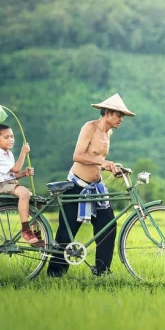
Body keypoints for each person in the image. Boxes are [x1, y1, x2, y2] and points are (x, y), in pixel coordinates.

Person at [46, 93, 136, 278]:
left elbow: (98, 160)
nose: (121, 119)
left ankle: (102, 271)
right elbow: (77, 156)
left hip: (97, 187)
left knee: (108, 226)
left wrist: (113, 168)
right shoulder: (90, 127)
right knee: (67, 232)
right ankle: (55, 274)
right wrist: (103, 163)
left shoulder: (108, 133)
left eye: (123, 117)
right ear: (108, 113)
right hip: (77, 186)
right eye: (119, 115)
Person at [0, 123, 42, 246]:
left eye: (12, 136)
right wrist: (23, 152)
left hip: (9, 184)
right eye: (6, 137)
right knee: (24, 192)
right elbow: (15, 169)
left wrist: (24, 173)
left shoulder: (9, 154)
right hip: (0, 186)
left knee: (38, 201)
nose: (10, 140)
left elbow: (13, 174)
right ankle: (25, 230)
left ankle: (36, 232)